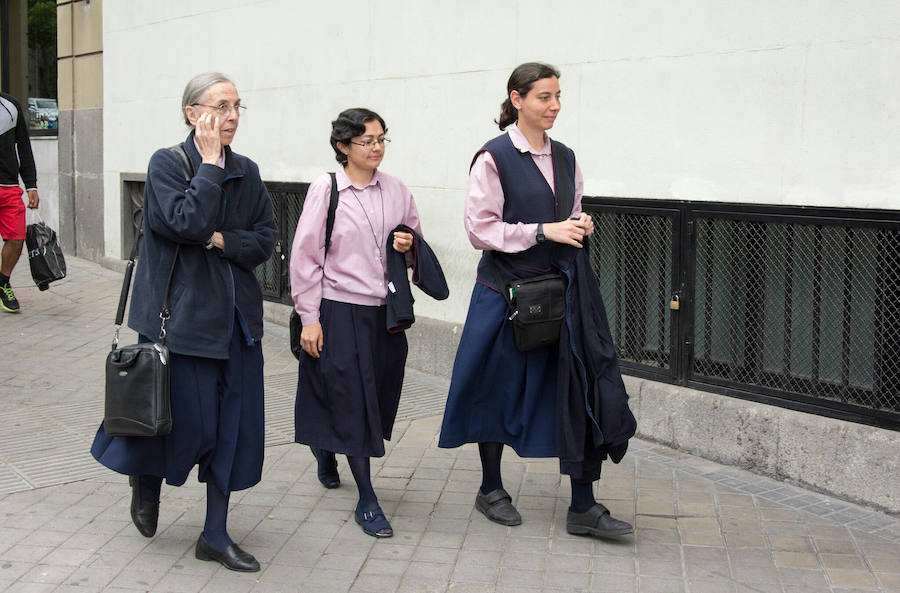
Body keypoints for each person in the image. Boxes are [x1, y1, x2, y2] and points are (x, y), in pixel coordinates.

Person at [438, 62, 636, 538]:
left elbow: (570, 211)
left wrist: (580, 224)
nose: (554, 106)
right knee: (495, 387)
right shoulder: (493, 157)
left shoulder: (566, 156)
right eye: (544, 97)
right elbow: (479, 230)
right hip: (506, 293)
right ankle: (490, 489)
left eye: (558, 96)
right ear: (517, 99)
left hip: (562, 289)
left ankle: (583, 506)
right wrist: (543, 231)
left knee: (580, 386)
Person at [91, 72, 275, 571]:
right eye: (221, 105)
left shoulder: (250, 171)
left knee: (228, 433)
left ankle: (214, 534)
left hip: (237, 322)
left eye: (238, 104)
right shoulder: (167, 165)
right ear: (194, 113)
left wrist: (221, 241)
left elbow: (264, 238)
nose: (232, 115)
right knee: (178, 424)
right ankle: (146, 480)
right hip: (182, 323)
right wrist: (211, 166)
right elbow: (184, 222)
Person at [290, 108, 422, 538]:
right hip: (338, 308)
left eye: (382, 139)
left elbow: (415, 248)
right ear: (343, 146)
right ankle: (367, 499)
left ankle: (326, 444)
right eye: (367, 141)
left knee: (379, 393)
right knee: (353, 400)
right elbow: (306, 257)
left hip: (384, 313)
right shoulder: (326, 191)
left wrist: (407, 244)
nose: (377, 148)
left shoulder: (397, 190)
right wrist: (309, 317)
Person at [0, 92, 40, 313]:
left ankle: (3, 282)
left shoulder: (10, 105)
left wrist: (31, 185)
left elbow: (24, 147)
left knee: (16, 240)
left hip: (9, 187)